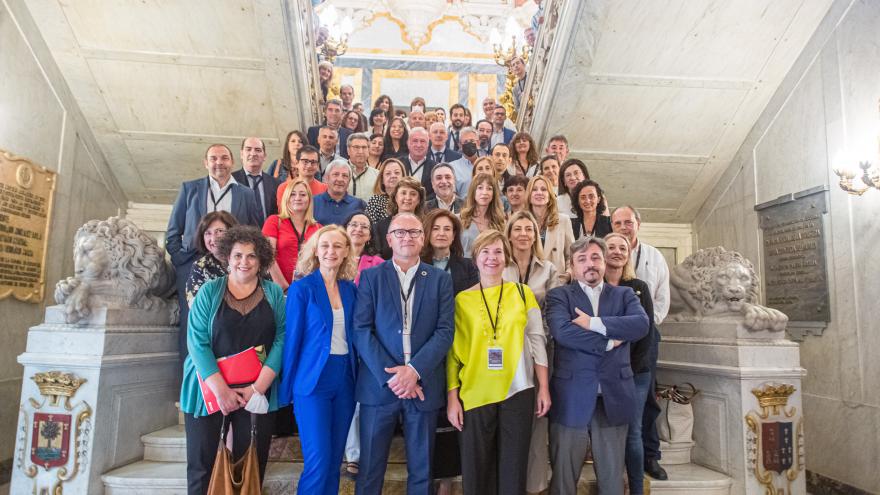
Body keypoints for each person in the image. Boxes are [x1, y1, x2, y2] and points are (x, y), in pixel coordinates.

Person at [353, 213, 455, 495]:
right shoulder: (372, 277)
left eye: (414, 232)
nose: (407, 237)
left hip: (423, 387)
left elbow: (445, 331)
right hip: (379, 387)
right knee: (370, 469)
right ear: (389, 239)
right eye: (400, 232)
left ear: (423, 239)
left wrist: (413, 372)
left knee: (422, 472)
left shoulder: (439, 279)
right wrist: (394, 377)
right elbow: (361, 329)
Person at [181, 225, 285, 494]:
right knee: (202, 467)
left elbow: (282, 340)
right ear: (228, 256)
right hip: (208, 390)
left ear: (261, 260)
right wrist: (221, 391)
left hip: (256, 391)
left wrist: (256, 389)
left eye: (251, 256)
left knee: (250, 465)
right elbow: (197, 342)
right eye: (238, 255)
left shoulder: (273, 293)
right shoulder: (209, 291)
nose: (244, 262)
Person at [446, 230, 550, 495]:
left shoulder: (523, 292)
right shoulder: (462, 300)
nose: (492, 258)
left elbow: (537, 339)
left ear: (507, 258)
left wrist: (544, 387)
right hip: (475, 392)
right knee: (476, 469)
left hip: (519, 390)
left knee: (513, 469)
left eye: (498, 252)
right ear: (475, 258)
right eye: (485, 252)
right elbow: (453, 355)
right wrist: (452, 398)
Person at [545, 236, 649, 495]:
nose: (589, 264)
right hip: (571, 396)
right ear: (572, 265)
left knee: (612, 480)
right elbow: (563, 332)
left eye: (595, 258)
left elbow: (641, 325)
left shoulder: (624, 295)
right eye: (582, 259)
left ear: (604, 262)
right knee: (563, 480)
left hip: (613, 397)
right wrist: (609, 342)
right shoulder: (559, 296)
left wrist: (593, 323)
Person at [279, 225, 359, 495]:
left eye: (338, 246)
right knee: (318, 461)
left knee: (335, 461)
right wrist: (286, 388)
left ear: (346, 251)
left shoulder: (350, 290)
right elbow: (292, 342)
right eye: (325, 245)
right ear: (315, 249)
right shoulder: (302, 289)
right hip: (312, 382)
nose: (331, 251)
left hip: (345, 380)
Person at [166, 144, 262, 361]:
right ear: (205, 162)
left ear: (232, 162)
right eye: (213, 158)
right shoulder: (190, 189)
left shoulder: (246, 194)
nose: (219, 162)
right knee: (192, 323)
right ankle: (191, 380)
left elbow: (254, 233)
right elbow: (173, 232)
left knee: (228, 321)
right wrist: (181, 262)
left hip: (231, 268)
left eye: (224, 158)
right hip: (192, 267)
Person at [610, 205, 670, 481]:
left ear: (638, 223)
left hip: (645, 341)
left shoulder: (653, 257)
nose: (624, 226)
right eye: (618, 222)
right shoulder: (602, 271)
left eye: (628, 222)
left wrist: (639, 325)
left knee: (646, 401)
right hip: (613, 353)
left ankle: (650, 456)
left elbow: (661, 301)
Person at [420, 209, 477, 494]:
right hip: (424, 352)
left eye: (448, 229)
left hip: (457, 348)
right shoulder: (417, 262)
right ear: (427, 233)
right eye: (437, 228)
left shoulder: (466, 267)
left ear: (455, 235)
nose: (442, 233)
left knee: (451, 418)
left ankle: (445, 484)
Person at [502, 210, 559, 494]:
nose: (523, 234)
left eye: (529, 229)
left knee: (537, 418)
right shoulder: (499, 266)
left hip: (538, 349)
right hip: (504, 351)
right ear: (509, 234)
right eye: (518, 229)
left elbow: (555, 312)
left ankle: (535, 486)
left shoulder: (549, 269)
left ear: (535, 235)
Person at [604, 232, 658, 495]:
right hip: (604, 371)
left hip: (635, 372)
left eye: (621, 247)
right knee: (606, 433)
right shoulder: (594, 286)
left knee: (633, 432)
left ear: (628, 254)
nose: (616, 251)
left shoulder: (639, 287)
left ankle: (636, 488)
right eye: (610, 247)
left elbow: (646, 332)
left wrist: (631, 368)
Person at [341, 212, 384, 478]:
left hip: (368, 337)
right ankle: (345, 452)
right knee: (344, 396)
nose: (358, 229)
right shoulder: (334, 257)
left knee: (361, 399)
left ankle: (357, 453)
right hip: (339, 337)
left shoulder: (378, 263)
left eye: (364, 227)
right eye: (353, 224)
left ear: (370, 235)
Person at [263, 179, 321, 290]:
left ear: (309, 199)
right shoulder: (274, 221)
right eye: (292, 194)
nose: (297, 198)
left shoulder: (318, 228)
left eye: (303, 194)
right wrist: (284, 287)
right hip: (278, 289)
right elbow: (268, 256)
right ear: (286, 198)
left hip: (308, 289)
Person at [185, 211, 238, 306]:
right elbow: (196, 307)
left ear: (232, 232)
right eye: (208, 233)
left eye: (219, 231)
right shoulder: (200, 267)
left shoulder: (249, 260)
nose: (213, 239)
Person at [526, 175, 573, 276]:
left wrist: (568, 275)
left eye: (544, 189)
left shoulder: (563, 220)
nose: (539, 192)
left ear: (550, 195)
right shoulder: (522, 222)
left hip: (556, 281)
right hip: (529, 281)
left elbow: (572, 255)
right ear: (529, 195)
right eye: (534, 189)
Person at [373, 176, 426, 259]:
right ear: (395, 197)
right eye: (403, 193)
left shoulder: (426, 225)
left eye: (413, 194)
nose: (408, 198)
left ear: (419, 200)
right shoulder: (380, 227)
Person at [233, 137, 279, 224]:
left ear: (264, 156)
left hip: (268, 236)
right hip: (241, 236)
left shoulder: (275, 183)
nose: (253, 153)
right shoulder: (231, 181)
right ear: (242, 154)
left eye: (258, 150)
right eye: (248, 149)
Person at [459, 173, 506, 257]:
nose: (485, 192)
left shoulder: (500, 221)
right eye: (480, 188)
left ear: (493, 194)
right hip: (464, 267)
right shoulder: (459, 218)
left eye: (489, 188)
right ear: (473, 191)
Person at [313, 160, 366, 226]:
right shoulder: (313, 202)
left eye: (345, 176)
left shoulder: (359, 204)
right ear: (327, 178)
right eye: (336, 174)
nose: (340, 179)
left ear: (349, 181)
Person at [402, 127, 435, 198]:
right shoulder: (398, 164)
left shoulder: (435, 167)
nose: (419, 145)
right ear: (408, 143)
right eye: (415, 141)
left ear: (428, 144)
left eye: (422, 141)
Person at [448, 127, 481, 197]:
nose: (469, 144)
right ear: (460, 145)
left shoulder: (486, 165)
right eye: (465, 142)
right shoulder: (452, 167)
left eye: (472, 141)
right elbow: (451, 194)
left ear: (478, 143)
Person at [347, 133, 379, 202]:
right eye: (356, 147)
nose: (360, 151)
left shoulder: (377, 175)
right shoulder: (338, 173)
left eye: (364, 147)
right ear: (348, 150)